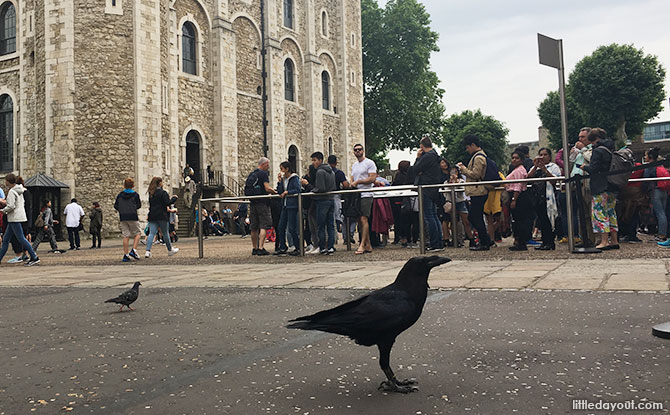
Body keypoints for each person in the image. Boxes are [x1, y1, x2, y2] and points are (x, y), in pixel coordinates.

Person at [582, 128, 619, 250]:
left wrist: (584, 167)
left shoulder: (598, 151)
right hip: (612, 185)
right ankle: (614, 240)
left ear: (595, 139)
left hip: (600, 186)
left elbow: (593, 168)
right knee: (611, 213)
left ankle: (604, 241)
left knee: (600, 213)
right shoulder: (610, 148)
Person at [456, 134, 492, 251]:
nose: (467, 150)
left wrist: (463, 169)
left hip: (478, 190)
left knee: (474, 217)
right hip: (478, 190)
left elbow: (476, 174)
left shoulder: (478, 157)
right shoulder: (480, 156)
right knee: (475, 217)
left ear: (472, 145)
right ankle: (485, 240)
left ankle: (485, 241)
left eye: (467, 147)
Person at [0, 174, 40, 266]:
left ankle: (34, 257)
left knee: (21, 238)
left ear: (8, 181)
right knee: (6, 239)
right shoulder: (20, 190)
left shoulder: (11, 192)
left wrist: (3, 211)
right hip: (17, 217)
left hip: (14, 218)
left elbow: (11, 206)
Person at [413, 137, 444, 252]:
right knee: (434, 216)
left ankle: (434, 243)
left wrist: (417, 158)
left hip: (426, 187)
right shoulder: (435, 155)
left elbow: (416, 169)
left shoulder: (426, 157)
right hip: (434, 188)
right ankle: (439, 242)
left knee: (429, 216)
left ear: (422, 146)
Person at [527, 148, 561, 250]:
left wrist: (545, 170)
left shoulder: (554, 167)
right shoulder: (534, 168)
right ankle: (545, 241)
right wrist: (536, 166)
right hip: (537, 196)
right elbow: (528, 179)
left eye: (545, 154)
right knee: (541, 220)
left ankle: (550, 242)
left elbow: (555, 181)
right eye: (540, 155)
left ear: (550, 156)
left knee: (549, 219)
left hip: (549, 196)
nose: (543, 157)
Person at [247, 157, 277, 256]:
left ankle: (254, 248)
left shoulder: (252, 174)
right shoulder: (263, 174)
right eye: (267, 164)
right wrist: (275, 192)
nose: (268, 167)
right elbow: (267, 188)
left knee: (254, 227)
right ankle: (260, 247)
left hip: (253, 203)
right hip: (262, 202)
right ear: (263, 164)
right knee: (263, 225)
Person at [350, 144, 377, 254]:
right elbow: (352, 177)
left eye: (359, 149)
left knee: (363, 218)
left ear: (363, 151)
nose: (358, 151)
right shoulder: (355, 165)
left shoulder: (369, 163)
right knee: (359, 221)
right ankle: (368, 244)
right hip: (357, 194)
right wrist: (352, 183)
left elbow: (372, 178)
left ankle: (362, 244)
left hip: (366, 193)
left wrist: (359, 182)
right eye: (356, 150)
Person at [144, 176, 179, 258]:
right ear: (160, 183)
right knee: (165, 233)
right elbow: (167, 203)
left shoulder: (151, 193)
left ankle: (147, 251)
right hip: (162, 215)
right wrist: (174, 198)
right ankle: (170, 250)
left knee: (151, 233)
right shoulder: (163, 193)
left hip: (153, 215)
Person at [310, 152, 337, 254]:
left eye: (315, 160)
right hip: (331, 199)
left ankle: (322, 247)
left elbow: (321, 188)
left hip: (322, 200)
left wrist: (312, 190)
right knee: (330, 224)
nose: (313, 163)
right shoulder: (331, 172)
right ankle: (330, 246)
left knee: (321, 225)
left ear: (320, 160)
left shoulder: (320, 172)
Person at [506, 151, 532, 250]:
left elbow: (518, 186)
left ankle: (521, 243)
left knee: (519, 220)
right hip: (517, 196)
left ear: (521, 160)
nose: (514, 160)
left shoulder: (519, 171)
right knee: (517, 220)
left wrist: (514, 199)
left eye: (517, 158)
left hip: (518, 196)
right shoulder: (518, 169)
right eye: (513, 158)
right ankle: (519, 242)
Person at [275, 161, 302, 256]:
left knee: (292, 228)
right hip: (285, 205)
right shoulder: (283, 179)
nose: (281, 171)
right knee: (281, 226)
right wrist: (279, 182)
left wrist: (287, 192)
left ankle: (298, 247)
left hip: (292, 205)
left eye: (282, 169)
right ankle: (282, 246)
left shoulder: (294, 178)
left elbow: (297, 189)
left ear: (287, 169)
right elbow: (279, 191)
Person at [114, 178, 142, 262]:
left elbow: (116, 206)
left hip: (123, 216)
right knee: (137, 233)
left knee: (125, 235)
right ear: (133, 185)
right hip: (132, 215)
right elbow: (138, 205)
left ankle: (126, 254)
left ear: (124, 185)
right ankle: (134, 249)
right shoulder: (135, 195)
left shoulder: (120, 195)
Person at [643, 147, 667, 242]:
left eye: (646, 155)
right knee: (663, 213)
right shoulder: (660, 165)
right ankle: (663, 233)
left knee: (659, 213)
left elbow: (645, 179)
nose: (645, 157)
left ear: (650, 156)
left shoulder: (650, 167)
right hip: (663, 190)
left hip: (655, 191)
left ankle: (661, 235)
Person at [328, 155, 349, 244]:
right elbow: (345, 184)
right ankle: (335, 238)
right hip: (336, 195)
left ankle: (330, 240)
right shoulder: (339, 173)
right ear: (336, 162)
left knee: (329, 217)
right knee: (337, 217)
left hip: (326, 196)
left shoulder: (325, 171)